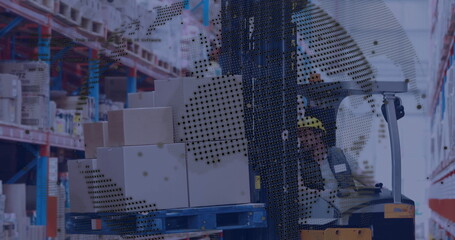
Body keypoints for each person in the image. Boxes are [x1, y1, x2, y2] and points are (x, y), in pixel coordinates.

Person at [297, 116, 360, 221]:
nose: (302, 139)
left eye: (305, 135)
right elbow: (298, 190)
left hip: (344, 209)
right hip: (316, 212)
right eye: (299, 136)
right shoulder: (299, 161)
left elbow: (359, 181)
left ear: (319, 134)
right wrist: (319, 194)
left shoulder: (339, 155)